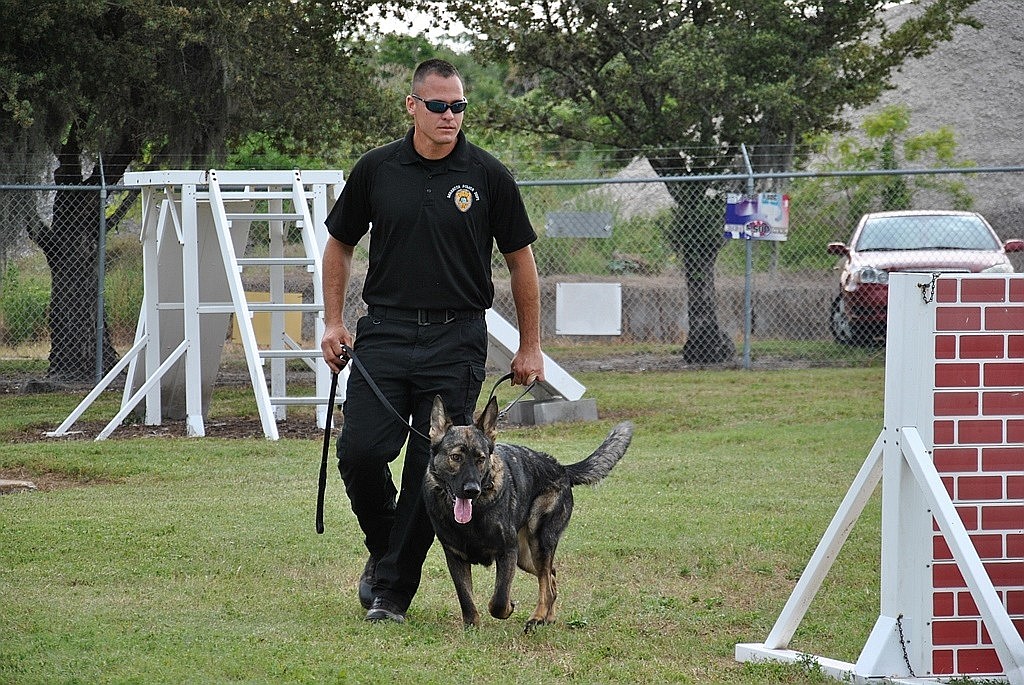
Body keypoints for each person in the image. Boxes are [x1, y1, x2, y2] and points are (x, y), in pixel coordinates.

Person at [320, 58, 545, 624]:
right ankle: (386, 549)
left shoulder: (489, 175)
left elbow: (521, 262)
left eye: (459, 106)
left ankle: (391, 593)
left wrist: (530, 345)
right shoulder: (376, 169)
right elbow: (339, 244)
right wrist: (332, 322)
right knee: (360, 452)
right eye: (439, 106)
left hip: (457, 339)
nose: (450, 116)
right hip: (385, 332)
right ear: (412, 106)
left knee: (435, 464)